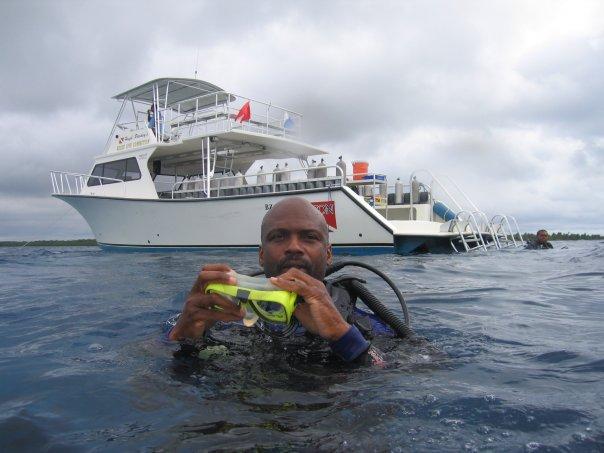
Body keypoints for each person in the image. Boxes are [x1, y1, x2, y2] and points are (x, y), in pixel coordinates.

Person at [168, 197, 386, 364]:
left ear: (328, 254)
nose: (293, 247)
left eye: (309, 237)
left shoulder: (363, 325)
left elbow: (393, 375)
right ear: (261, 256)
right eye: (278, 237)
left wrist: (341, 334)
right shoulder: (224, 315)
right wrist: (184, 335)